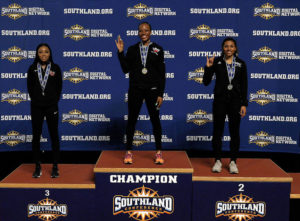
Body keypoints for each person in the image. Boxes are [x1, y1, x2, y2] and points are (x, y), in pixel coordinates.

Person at [115, 22, 166, 164]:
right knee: (131, 120)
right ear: (138, 33)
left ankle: (159, 152)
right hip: (135, 90)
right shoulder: (131, 49)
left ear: (150, 32)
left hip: (153, 91)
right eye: (141, 30)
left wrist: (160, 93)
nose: (143, 32)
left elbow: (162, 74)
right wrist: (120, 53)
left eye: (146, 30)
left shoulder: (158, 49)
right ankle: (129, 152)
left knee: (155, 120)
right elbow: (126, 69)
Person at [203, 37, 248, 174]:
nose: (229, 49)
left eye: (231, 46)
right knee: (218, 132)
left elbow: (244, 85)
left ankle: (233, 161)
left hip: (235, 102)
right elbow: (205, 82)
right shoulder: (216, 62)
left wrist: (244, 104)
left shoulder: (241, 63)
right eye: (226, 46)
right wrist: (208, 68)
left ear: (235, 48)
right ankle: (217, 160)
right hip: (220, 101)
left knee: (235, 132)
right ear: (223, 48)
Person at [27, 43, 62, 178]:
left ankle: (55, 166)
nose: (43, 54)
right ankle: (37, 166)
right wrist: (37, 100)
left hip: (51, 107)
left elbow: (59, 87)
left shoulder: (55, 68)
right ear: (37, 54)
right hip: (36, 107)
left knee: (54, 135)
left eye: (46, 52)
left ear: (50, 53)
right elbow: (30, 88)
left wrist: (52, 100)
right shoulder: (32, 69)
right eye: (40, 52)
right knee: (36, 137)